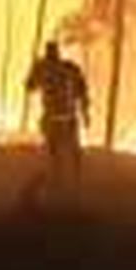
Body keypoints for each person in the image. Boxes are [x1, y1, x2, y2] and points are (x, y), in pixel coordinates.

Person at [25, 41, 90, 180]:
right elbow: (82, 92)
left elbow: (29, 87)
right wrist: (85, 113)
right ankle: (73, 176)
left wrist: (34, 68)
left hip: (53, 117)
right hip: (67, 116)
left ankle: (62, 175)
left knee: (57, 149)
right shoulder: (70, 68)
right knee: (71, 149)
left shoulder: (44, 68)